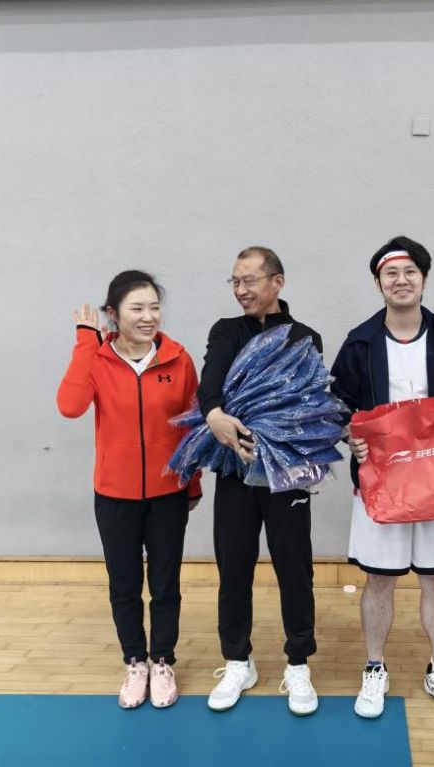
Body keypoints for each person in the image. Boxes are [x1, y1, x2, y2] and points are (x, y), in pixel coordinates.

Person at [330, 236, 434, 721]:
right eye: (391, 273)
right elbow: (336, 406)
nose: (401, 281)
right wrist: (349, 436)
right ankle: (375, 667)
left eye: (410, 271)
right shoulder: (359, 342)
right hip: (380, 484)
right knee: (379, 580)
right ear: (378, 282)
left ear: (424, 279)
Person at [57, 270, 202, 709]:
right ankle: (135, 662)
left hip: (167, 494)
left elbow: (192, 428)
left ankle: (163, 661)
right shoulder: (97, 358)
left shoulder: (178, 359)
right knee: (124, 585)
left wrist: (192, 483)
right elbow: (70, 406)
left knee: (165, 584)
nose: (148, 316)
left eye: (154, 307)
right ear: (113, 314)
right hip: (114, 494)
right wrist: (86, 342)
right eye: (137, 308)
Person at [198, 246, 323, 715]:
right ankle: (238, 661)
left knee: (295, 568)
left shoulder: (305, 338)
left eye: (249, 280)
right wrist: (214, 413)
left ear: (277, 282)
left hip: (287, 474)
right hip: (235, 470)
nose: (240, 289)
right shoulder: (226, 331)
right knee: (233, 568)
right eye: (234, 281)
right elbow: (211, 383)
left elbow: (309, 404)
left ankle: (298, 663)